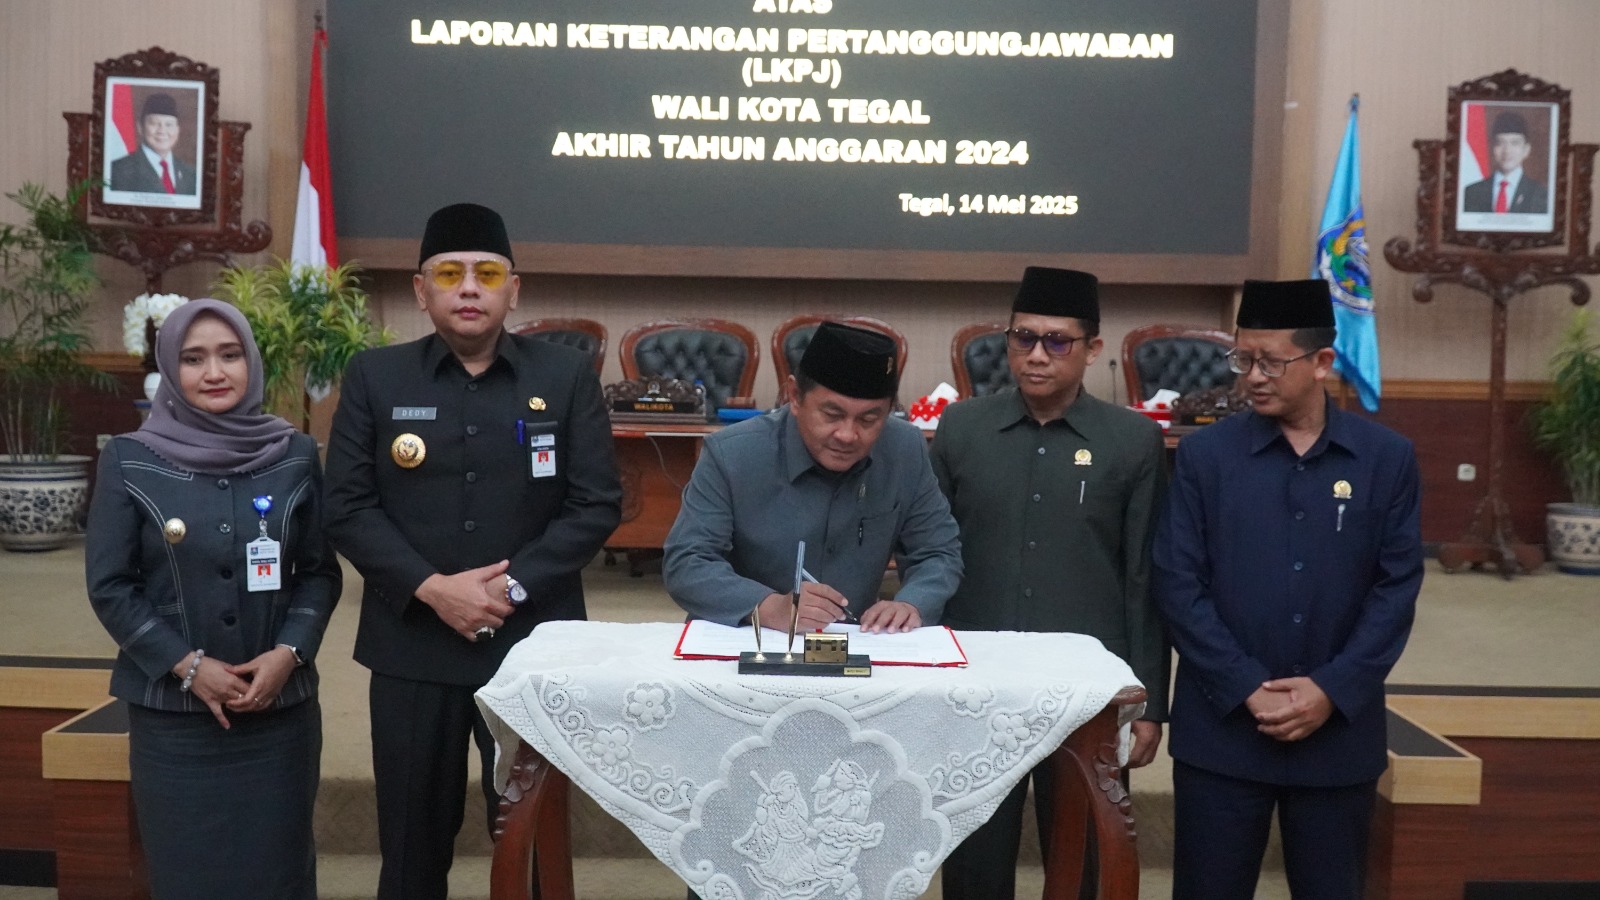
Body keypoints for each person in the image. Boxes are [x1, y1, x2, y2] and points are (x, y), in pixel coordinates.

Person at [325, 202, 622, 900]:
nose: (468, 288)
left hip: (531, 645)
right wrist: (434, 589)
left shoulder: (565, 376)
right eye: (449, 274)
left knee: (531, 846)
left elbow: (596, 503)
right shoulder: (375, 377)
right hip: (412, 645)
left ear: (513, 291)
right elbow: (347, 506)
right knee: (410, 847)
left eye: (486, 274)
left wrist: (509, 588)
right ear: (419, 290)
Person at [1153, 278, 1423, 900]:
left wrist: (1331, 689)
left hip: (1337, 736)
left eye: (1270, 362)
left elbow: (1396, 589)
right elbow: (1177, 582)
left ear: (1322, 362)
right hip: (1223, 733)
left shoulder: (1385, 459)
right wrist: (1245, 685)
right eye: (1243, 359)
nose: (1253, 377)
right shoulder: (1204, 458)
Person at [85, 298, 341, 900]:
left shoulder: (296, 454)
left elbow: (319, 573)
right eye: (194, 358)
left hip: (279, 713)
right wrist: (187, 666)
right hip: (174, 720)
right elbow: (111, 586)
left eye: (230, 355)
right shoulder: (129, 459)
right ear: (170, 370)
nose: (215, 372)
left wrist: (289, 654)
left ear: (251, 361)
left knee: (280, 872)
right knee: (187, 873)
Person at [930, 266, 1169, 899]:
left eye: (1058, 340)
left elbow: (1144, 576)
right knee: (975, 864)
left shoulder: (1134, 440)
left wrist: (1149, 703)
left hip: (1086, 690)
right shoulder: (961, 428)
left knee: (1082, 861)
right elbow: (930, 555)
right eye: (1023, 337)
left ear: (1092, 349)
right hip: (975, 683)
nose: (1037, 355)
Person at [664, 320, 962, 635]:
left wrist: (913, 603)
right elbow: (687, 561)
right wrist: (766, 606)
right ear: (794, 396)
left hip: (858, 641)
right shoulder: (732, 453)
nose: (847, 435)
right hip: (750, 636)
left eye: (868, 419)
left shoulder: (904, 449)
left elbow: (937, 551)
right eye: (832, 415)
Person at [108, 92, 198, 195]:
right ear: (140, 127)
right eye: (154, 123)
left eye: (169, 124)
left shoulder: (190, 174)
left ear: (177, 130)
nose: (162, 131)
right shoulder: (118, 171)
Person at [1462, 111, 1548, 214]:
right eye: (1500, 143)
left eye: (1514, 143)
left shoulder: (1540, 195)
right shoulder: (1471, 193)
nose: (1507, 151)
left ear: (1526, 150)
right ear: (1492, 148)